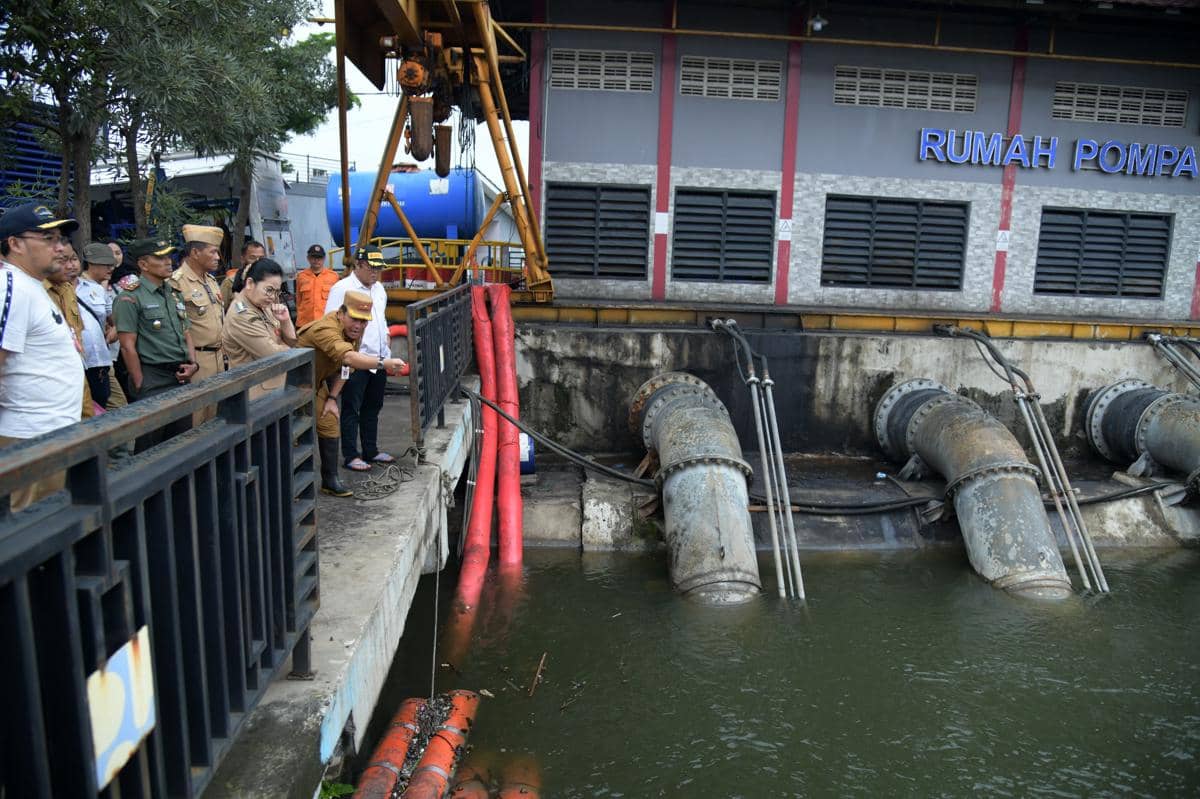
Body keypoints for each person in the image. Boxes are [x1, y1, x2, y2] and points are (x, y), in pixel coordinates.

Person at [0, 202, 83, 510]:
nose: (60, 248)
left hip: (49, 434)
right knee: (30, 527)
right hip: (29, 437)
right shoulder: (10, 287)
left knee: (53, 521)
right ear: (15, 244)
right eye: (48, 239)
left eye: (60, 239)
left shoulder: (31, 286)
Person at [296, 290, 406, 497]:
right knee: (294, 437)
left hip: (316, 385)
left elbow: (345, 368)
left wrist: (332, 398)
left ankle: (330, 481)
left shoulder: (353, 332)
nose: (358, 325)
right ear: (341, 314)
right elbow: (348, 357)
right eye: (354, 319)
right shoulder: (326, 329)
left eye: (363, 321)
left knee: (329, 421)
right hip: (294, 387)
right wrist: (384, 363)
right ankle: (293, 490)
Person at [325, 245, 394, 472]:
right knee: (351, 407)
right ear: (358, 265)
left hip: (379, 358)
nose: (375, 273)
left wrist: (386, 339)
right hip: (355, 358)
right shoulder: (342, 289)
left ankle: (370, 450)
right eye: (370, 268)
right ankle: (351, 455)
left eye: (378, 268)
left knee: (373, 406)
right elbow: (331, 323)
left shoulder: (379, 289)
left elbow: (381, 319)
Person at [221, 258, 297, 399]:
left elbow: (292, 341)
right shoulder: (242, 315)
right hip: (257, 393)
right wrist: (287, 348)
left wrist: (285, 321)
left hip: (274, 387)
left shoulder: (262, 305)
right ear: (250, 283)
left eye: (276, 292)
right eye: (269, 290)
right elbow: (273, 355)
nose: (273, 297)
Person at [43, 243, 95, 419]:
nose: (71, 266)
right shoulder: (34, 291)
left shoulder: (68, 289)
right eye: (63, 260)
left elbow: (77, 330)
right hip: (51, 380)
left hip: (77, 372)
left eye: (73, 259)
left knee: (87, 422)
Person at [168, 225, 226, 384]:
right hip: (197, 361)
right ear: (195, 253)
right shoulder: (176, 282)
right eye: (213, 252)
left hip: (221, 357)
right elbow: (176, 328)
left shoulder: (211, 280)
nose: (217, 257)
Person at [77, 242, 119, 409]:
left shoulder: (99, 290)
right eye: (105, 264)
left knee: (115, 406)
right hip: (82, 361)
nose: (111, 268)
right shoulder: (70, 289)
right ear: (90, 264)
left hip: (102, 359)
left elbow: (114, 319)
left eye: (112, 264)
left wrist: (115, 329)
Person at [295, 244, 338, 328]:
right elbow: (298, 300)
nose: (316, 260)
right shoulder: (301, 276)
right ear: (308, 258)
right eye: (313, 257)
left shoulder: (333, 277)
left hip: (325, 322)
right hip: (305, 322)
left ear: (324, 259)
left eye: (319, 257)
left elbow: (336, 300)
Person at [222, 239, 266, 309]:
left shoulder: (268, 280)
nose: (258, 262)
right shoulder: (230, 282)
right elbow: (221, 310)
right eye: (252, 258)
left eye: (261, 258)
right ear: (243, 259)